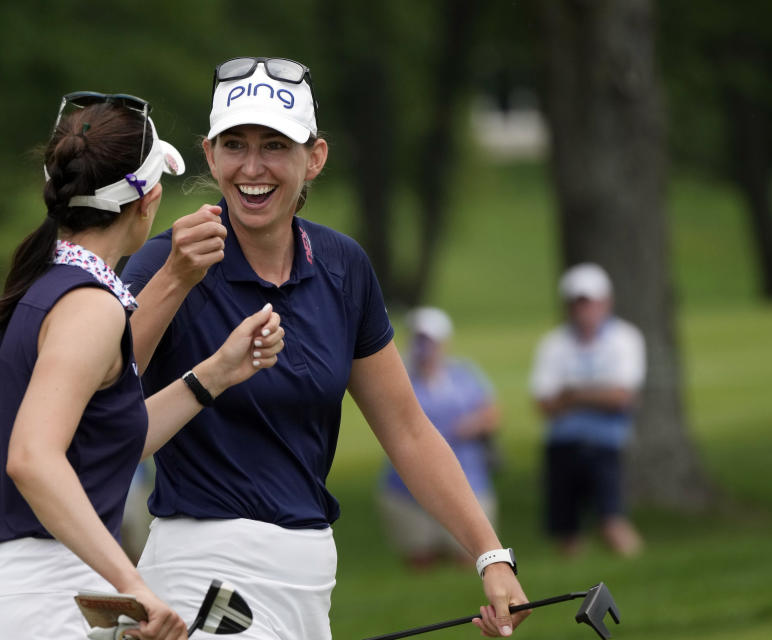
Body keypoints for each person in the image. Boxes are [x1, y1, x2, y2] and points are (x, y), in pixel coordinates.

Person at [121, 57, 529, 639]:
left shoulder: (342, 266)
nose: (253, 167)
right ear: (209, 155)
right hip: (201, 564)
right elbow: (100, 405)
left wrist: (490, 555)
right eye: (235, 145)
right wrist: (172, 281)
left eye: (275, 146)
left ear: (314, 157)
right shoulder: (168, 260)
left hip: (309, 571)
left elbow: (407, 430)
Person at [0, 92, 284, 640]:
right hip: (44, 606)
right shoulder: (90, 306)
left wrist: (217, 372)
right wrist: (135, 584)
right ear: (147, 199)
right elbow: (32, 458)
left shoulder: (43, 288)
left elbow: (101, 442)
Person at [529, 263, 645, 557]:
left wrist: (572, 394)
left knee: (612, 521)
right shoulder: (553, 344)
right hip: (562, 445)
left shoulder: (624, 338)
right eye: (578, 302)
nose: (585, 310)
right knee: (566, 531)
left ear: (606, 302)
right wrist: (595, 394)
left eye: (590, 301)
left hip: (606, 444)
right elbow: (544, 404)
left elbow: (622, 397)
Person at [378, 307, 502, 570]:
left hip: (468, 477)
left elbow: (491, 413)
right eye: (419, 339)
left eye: (429, 340)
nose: (423, 347)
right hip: (407, 485)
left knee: (469, 557)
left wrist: (469, 426)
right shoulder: (402, 377)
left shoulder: (463, 374)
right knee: (420, 558)